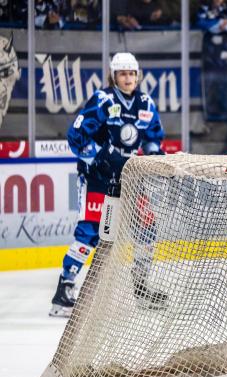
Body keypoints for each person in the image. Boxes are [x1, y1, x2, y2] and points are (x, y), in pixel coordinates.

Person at [50, 52, 164, 317]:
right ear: (114, 76)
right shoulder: (103, 100)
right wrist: (99, 158)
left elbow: (152, 138)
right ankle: (64, 288)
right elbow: (76, 136)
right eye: (123, 74)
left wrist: (155, 155)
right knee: (90, 230)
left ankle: (141, 287)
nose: (128, 78)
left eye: (132, 73)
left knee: (146, 228)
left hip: (131, 177)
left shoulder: (146, 103)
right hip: (98, 178)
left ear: (138, 75)